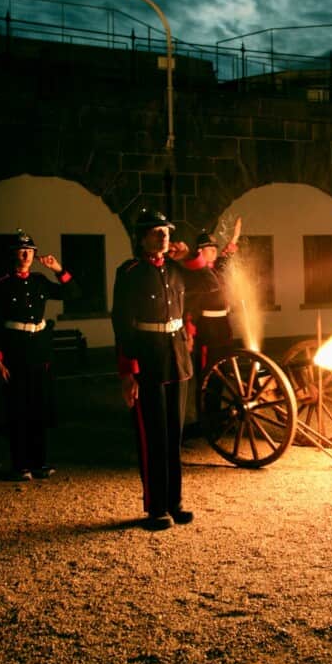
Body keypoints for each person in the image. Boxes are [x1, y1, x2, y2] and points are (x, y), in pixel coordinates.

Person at [111, 208, 195, 531]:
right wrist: (127, 371)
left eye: (167, 232)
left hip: (176, 360)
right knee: (153, 437)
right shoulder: (130, 272)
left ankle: (175, 502)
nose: (164, 237)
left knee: (174, 437)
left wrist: (190, 258)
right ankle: (156, 507)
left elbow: (213, 283)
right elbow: (121, 324)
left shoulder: (177, 269)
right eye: (157, 232)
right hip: (147, 360)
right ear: (142, 238)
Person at [0, 229, 79, 481]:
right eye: (22, 250)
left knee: (39, 408)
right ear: (13, 254)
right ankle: (20, 465)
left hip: (39, 350)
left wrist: (58, 269)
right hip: (15, 349)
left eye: (31, 251)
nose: (27, 254)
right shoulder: (2, 285)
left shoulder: (39, 281)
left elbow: (72, 293)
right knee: (18, 409)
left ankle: (39, 462)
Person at [182, 217, 242, 435]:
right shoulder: (196, 275)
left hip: (223, 327)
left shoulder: (216, 268)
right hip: (206, 329)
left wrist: (234, 237)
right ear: (200, 251)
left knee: (224, 374)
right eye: (210, 248)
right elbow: (190, 308)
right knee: (207, 375)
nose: (215, 251)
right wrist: (189, 334)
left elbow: (227, 255)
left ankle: (217, 416)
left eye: (215, 248)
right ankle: (205, 419)